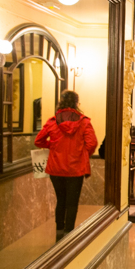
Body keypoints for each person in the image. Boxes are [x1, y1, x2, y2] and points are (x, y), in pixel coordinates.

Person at [34, 90, 98, 242]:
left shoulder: (53, 121)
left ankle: (59, 231)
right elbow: (92, 143)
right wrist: (81, 155)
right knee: (72, 203)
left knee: (61, 200)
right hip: (75, 170)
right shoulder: (84, 122)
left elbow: (38, 141)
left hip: (56, 169)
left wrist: (53, 146)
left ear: (61, 102)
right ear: (76, 103)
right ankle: (69, 234)